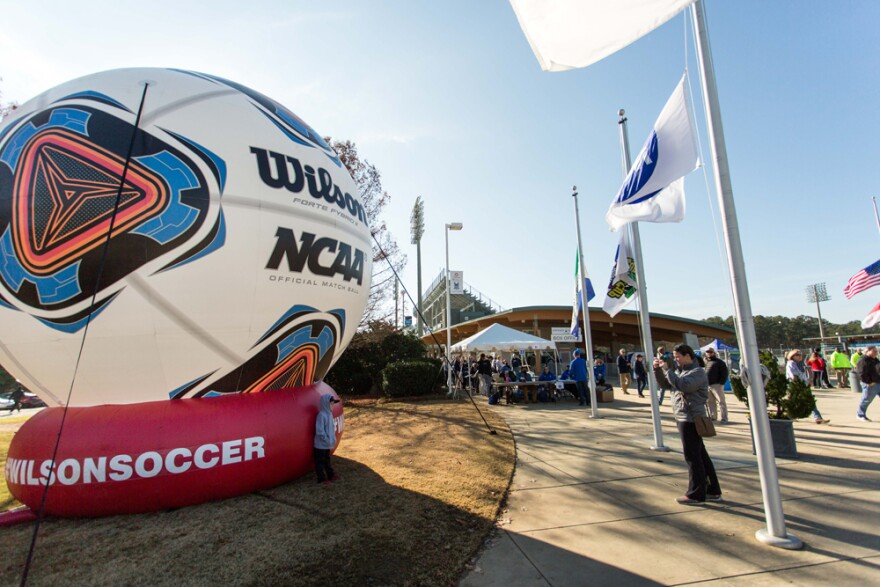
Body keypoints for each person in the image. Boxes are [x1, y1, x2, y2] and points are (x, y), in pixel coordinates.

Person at [652, 344, 722, 504]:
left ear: (688, 356)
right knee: (701, 455)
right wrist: (658, 370)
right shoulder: (680, 372)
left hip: (691, 418)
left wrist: (667, 370)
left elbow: (683, 385)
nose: (675, 359)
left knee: (693, 457)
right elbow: (667, 385)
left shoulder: (697, 373)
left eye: (678, 357)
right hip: (683, 416)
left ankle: (696, 493)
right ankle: (713, 490)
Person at [785, 350, 830, 424]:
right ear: (792, 356)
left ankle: (818, 417)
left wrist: (808, 380)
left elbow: (805, 373)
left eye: (800, 354)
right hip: (795, 384)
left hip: (803, 384)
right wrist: (797, 382)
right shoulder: (791, 363)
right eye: (798, 355)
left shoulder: (801, 363)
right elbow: (792, 374)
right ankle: (789, 416)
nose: (800, 356)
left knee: (810, 400)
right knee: (793, 401)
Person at [314, 394, 341, 484]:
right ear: (326, 403)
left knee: (327, 461)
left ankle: (331, 475)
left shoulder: (329, 414)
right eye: (331, 403)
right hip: (321, 445)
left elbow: (331, 429)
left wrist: (332, 439)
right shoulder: (321, 415)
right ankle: (321, 479)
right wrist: (326, 439)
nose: (332, 405)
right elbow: (320, 431)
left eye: (333, 403)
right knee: (320, 463)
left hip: (327, 444)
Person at [703, 348, 729, 423]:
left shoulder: (719, 362)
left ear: (714, 353)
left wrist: (721, 383)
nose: (709, 353)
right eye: (707, 352)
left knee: (721, 401)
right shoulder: (707, 362)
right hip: (708, 385)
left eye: (710, 352)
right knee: (710, 402)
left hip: (717, 385)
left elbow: (725, 372)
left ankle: (724, 418)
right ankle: (713, 416)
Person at [855, 345, 880, 422]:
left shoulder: (875, 360)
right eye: (874, 351)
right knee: (866, 399)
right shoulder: (863, 360)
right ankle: (860, 414)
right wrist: (868, 382)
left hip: (878, 381)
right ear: (867, 351)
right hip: (871, 383)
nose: (876, 352)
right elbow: (861, 373)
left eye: (876, 351)